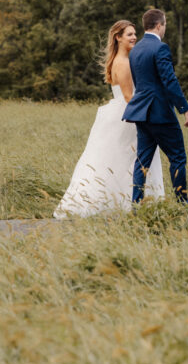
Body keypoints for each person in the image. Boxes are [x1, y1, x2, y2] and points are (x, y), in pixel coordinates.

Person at [54, 20, 164, 218]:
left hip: (118, 112)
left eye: (134, 33)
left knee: (121, 160)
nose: (134, 37)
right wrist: (151, 114)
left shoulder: (124, 60)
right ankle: (127, 205)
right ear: (118, 37)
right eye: (129, 34)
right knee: (132, 159)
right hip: (129, 115)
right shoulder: (122, 63)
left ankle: (127, 203)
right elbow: (130, 97)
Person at [123, 8, 188, 205]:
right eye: (165, 26)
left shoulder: (135, 49)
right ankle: (183, 203)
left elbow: (140, 82)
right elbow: (169, 80)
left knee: (142, 162)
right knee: (178, 157)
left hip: (141, 114)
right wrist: (184, 108)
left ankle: (136, 205)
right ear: (159, 25)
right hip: (160, 113)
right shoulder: (160, 48)